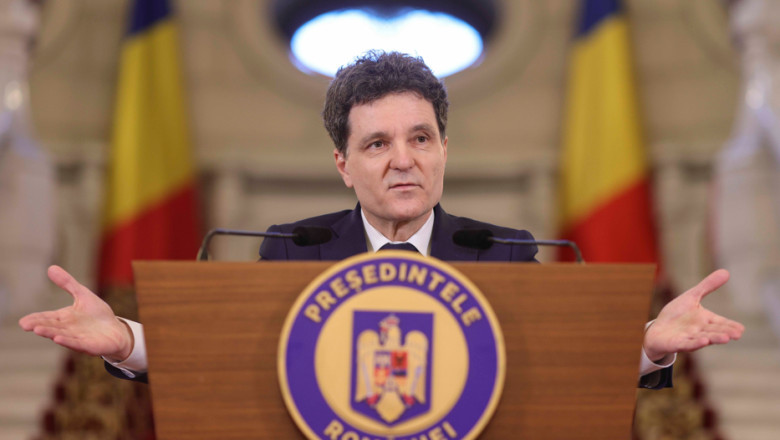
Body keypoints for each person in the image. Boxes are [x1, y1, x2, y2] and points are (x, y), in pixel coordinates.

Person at [19, 51, 744, 389]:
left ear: (444, 149)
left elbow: (557, 363)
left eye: (420, 138)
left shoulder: (504, 251)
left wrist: (648, 345)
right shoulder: (293, 250)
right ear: (344, 163)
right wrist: (128, 340)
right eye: (377, 144)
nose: (404, 161)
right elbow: (231, 357)